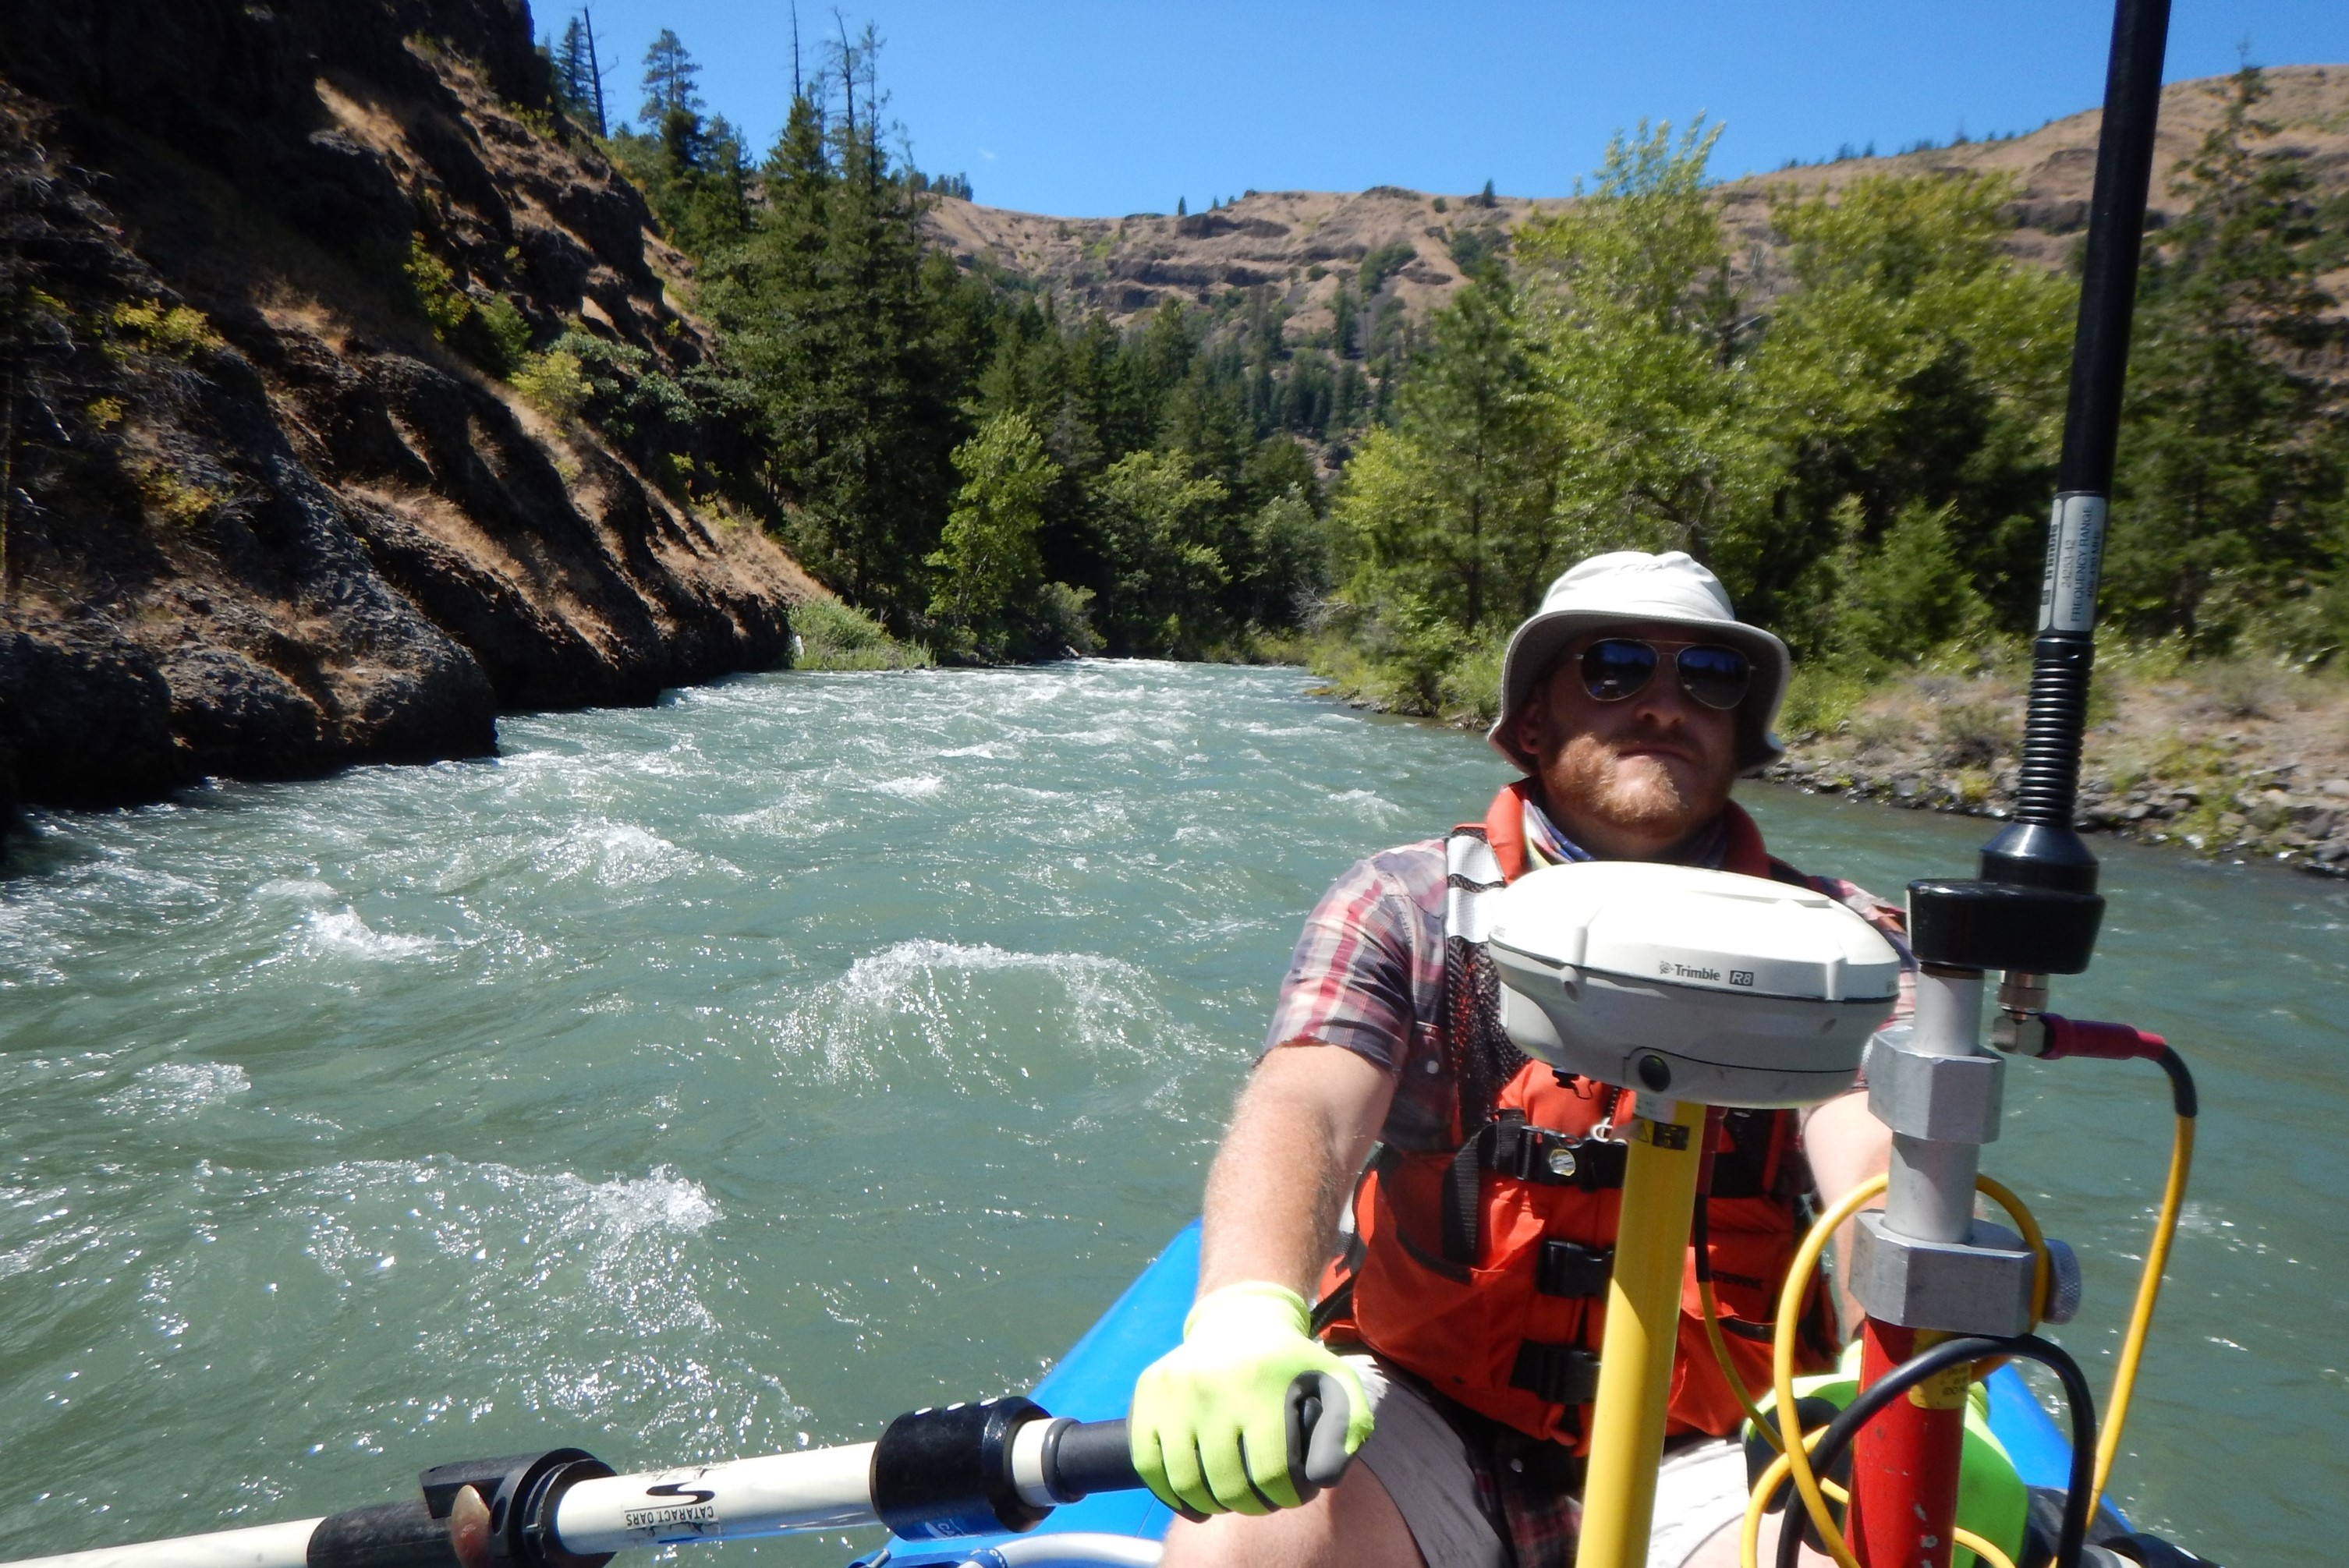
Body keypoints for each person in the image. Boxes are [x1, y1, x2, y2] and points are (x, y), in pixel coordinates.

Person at [1128, 551, 1911, 1568]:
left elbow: (1872, 1154)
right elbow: (1309, 1104)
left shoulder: (1842, 944)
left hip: (1729, 1441)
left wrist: (1906, 1368)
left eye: (1709, 679)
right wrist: (1240, 1310)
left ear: (1740, 728)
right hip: (1429, 1415)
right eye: (1617, 667)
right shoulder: (1402, 908)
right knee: (1244, 1541)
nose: (1665, 704)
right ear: (1534, 722)